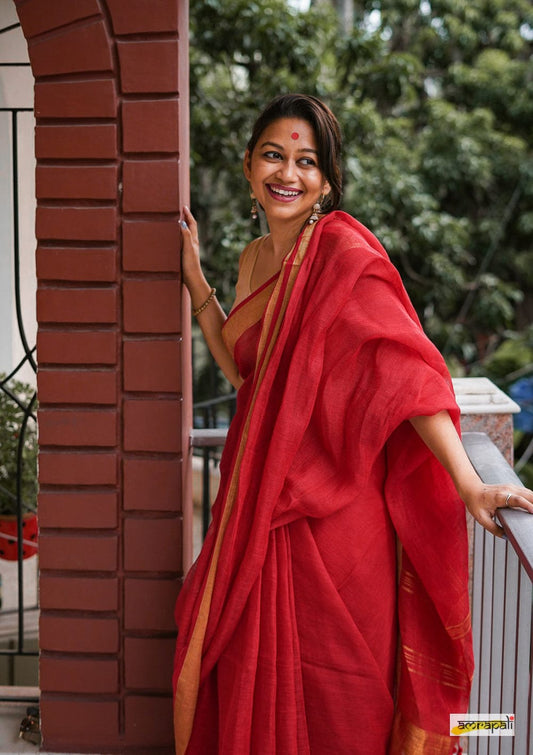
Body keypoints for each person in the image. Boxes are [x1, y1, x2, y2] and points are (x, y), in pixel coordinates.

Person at [173, 94, 533, 755]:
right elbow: (251, 379)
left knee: (346, 697)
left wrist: (466, 481)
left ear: (327, 181)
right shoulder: (255, 259)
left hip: (337, 521)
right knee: (248, 673)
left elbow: (406, 373)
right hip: (258, 511)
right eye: (274, 156)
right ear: (248, 165)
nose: (289, 173)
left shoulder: (342, 252)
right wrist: (198, 286)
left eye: (306, 162)